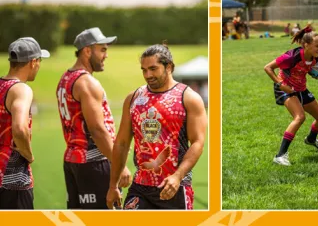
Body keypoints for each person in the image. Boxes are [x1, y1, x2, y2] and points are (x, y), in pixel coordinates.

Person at [106, 42, 207, 210]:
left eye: (153, 69)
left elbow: (198, 142)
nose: (147, 75)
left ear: (169, 67)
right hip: (140, 188)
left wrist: (177, 176)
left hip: (174, 187)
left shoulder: (189, 98)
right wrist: (113, 186)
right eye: (144, 70)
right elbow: (122, 143)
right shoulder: (133, 98)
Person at [56, 27, 131, 209]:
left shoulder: (65, 78)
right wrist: (118, 163)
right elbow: (97, 129)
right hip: (94, 163)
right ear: (87, 51)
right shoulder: (87, 82)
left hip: (73, 161)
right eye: (102, 49)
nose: (106, 55)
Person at [263, 25, 318, 166]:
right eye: (317, 46)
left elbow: (308, 68)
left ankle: (311, 139)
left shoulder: (316, 57)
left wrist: (316, 73)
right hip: (285, 89)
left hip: (301, 88)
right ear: (306, 45)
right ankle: (280, 156)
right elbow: (267, 68)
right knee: (299, 117)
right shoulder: (291, 57)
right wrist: (280, 84)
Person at [0, 37, 50, 209]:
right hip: (13, 181)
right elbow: (20, 129)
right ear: (33, 62)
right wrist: (28, 154)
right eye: (40, 61)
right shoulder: (21, 89)